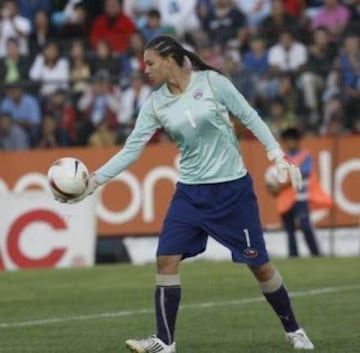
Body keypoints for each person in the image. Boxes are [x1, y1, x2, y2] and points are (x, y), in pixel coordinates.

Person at [55, 35, 314, 352]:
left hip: (232, 191)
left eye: (150, 63)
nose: (146, 70)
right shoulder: (155, 104)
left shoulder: (213, 82)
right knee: (165, 259)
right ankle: (165, 342)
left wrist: (276, 154)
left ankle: (294, 330)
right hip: (190, 194)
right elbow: (130, 151)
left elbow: (248, 116)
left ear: (168, 58)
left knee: (259, 265)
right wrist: (93, 183)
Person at [266, 127, 333, 257]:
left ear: (298, 141)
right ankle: (293, 256)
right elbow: (273, 177)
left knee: (305, 225)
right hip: (285, 199)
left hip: (300, 197)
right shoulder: (281, 158)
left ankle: (316, 254)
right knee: (289, 230)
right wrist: (272, 187)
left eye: (293, 140)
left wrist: (282, 185)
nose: (291, 143)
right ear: (285, 142)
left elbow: (304, 173)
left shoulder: (305, 155)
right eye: (288, 141)